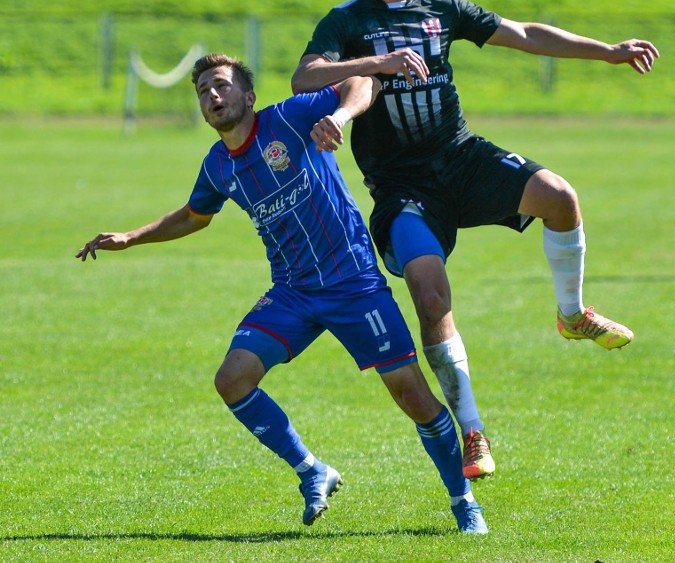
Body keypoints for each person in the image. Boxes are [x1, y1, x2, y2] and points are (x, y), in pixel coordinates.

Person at [291, 0, 660, 481]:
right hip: (402, 184)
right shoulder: (345, 20)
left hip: (462, 157)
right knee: (430, 294)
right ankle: (472, 432)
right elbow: (305, 75)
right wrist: (377, 62)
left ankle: (572, 314)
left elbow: (525, 33)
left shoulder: (442, 9)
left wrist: (607, 51)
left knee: (559, 197)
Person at [76, 53, 487, 534]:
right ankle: (313, 470)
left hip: (353, 283)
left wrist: (338, 117)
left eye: (222, 85)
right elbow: (194, 215)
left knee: (413, 396)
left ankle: (464, 503)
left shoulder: (289, 118)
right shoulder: (217, 166)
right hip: (292, 292)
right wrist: (131, 237)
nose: (212, 95)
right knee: (232, 380)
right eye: (203, 89)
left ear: (247, 96)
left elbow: (362, 81)